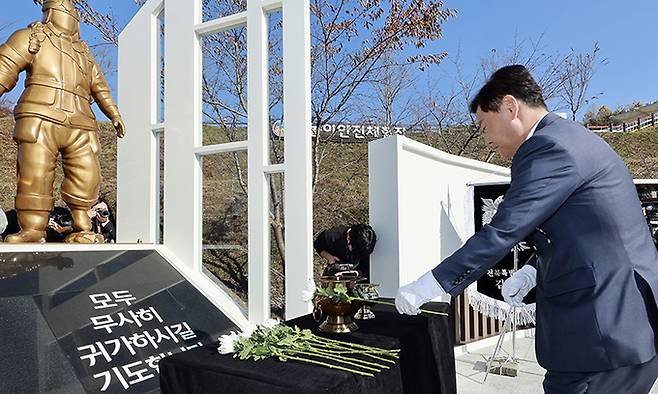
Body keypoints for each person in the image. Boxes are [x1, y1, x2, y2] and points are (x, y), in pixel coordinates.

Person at [395, 65, 658, 393]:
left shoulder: (549, 147)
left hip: (603, 331)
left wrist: (429, 285)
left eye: (484, 125)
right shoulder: (568, 138)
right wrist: (533, 271)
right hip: (617, 325)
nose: (487, 140)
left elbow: (503, 231)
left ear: (509, 107)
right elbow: (586, 233)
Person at [0, 0, 125, 243]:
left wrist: (113, 113)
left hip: (81, 122)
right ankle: (33, 228)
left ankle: (82, 225)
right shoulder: (30, 36)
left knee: (87, 174)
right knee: (34, 174)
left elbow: (99, 87)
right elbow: (5, 66)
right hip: (40, 116)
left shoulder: (83, 51)